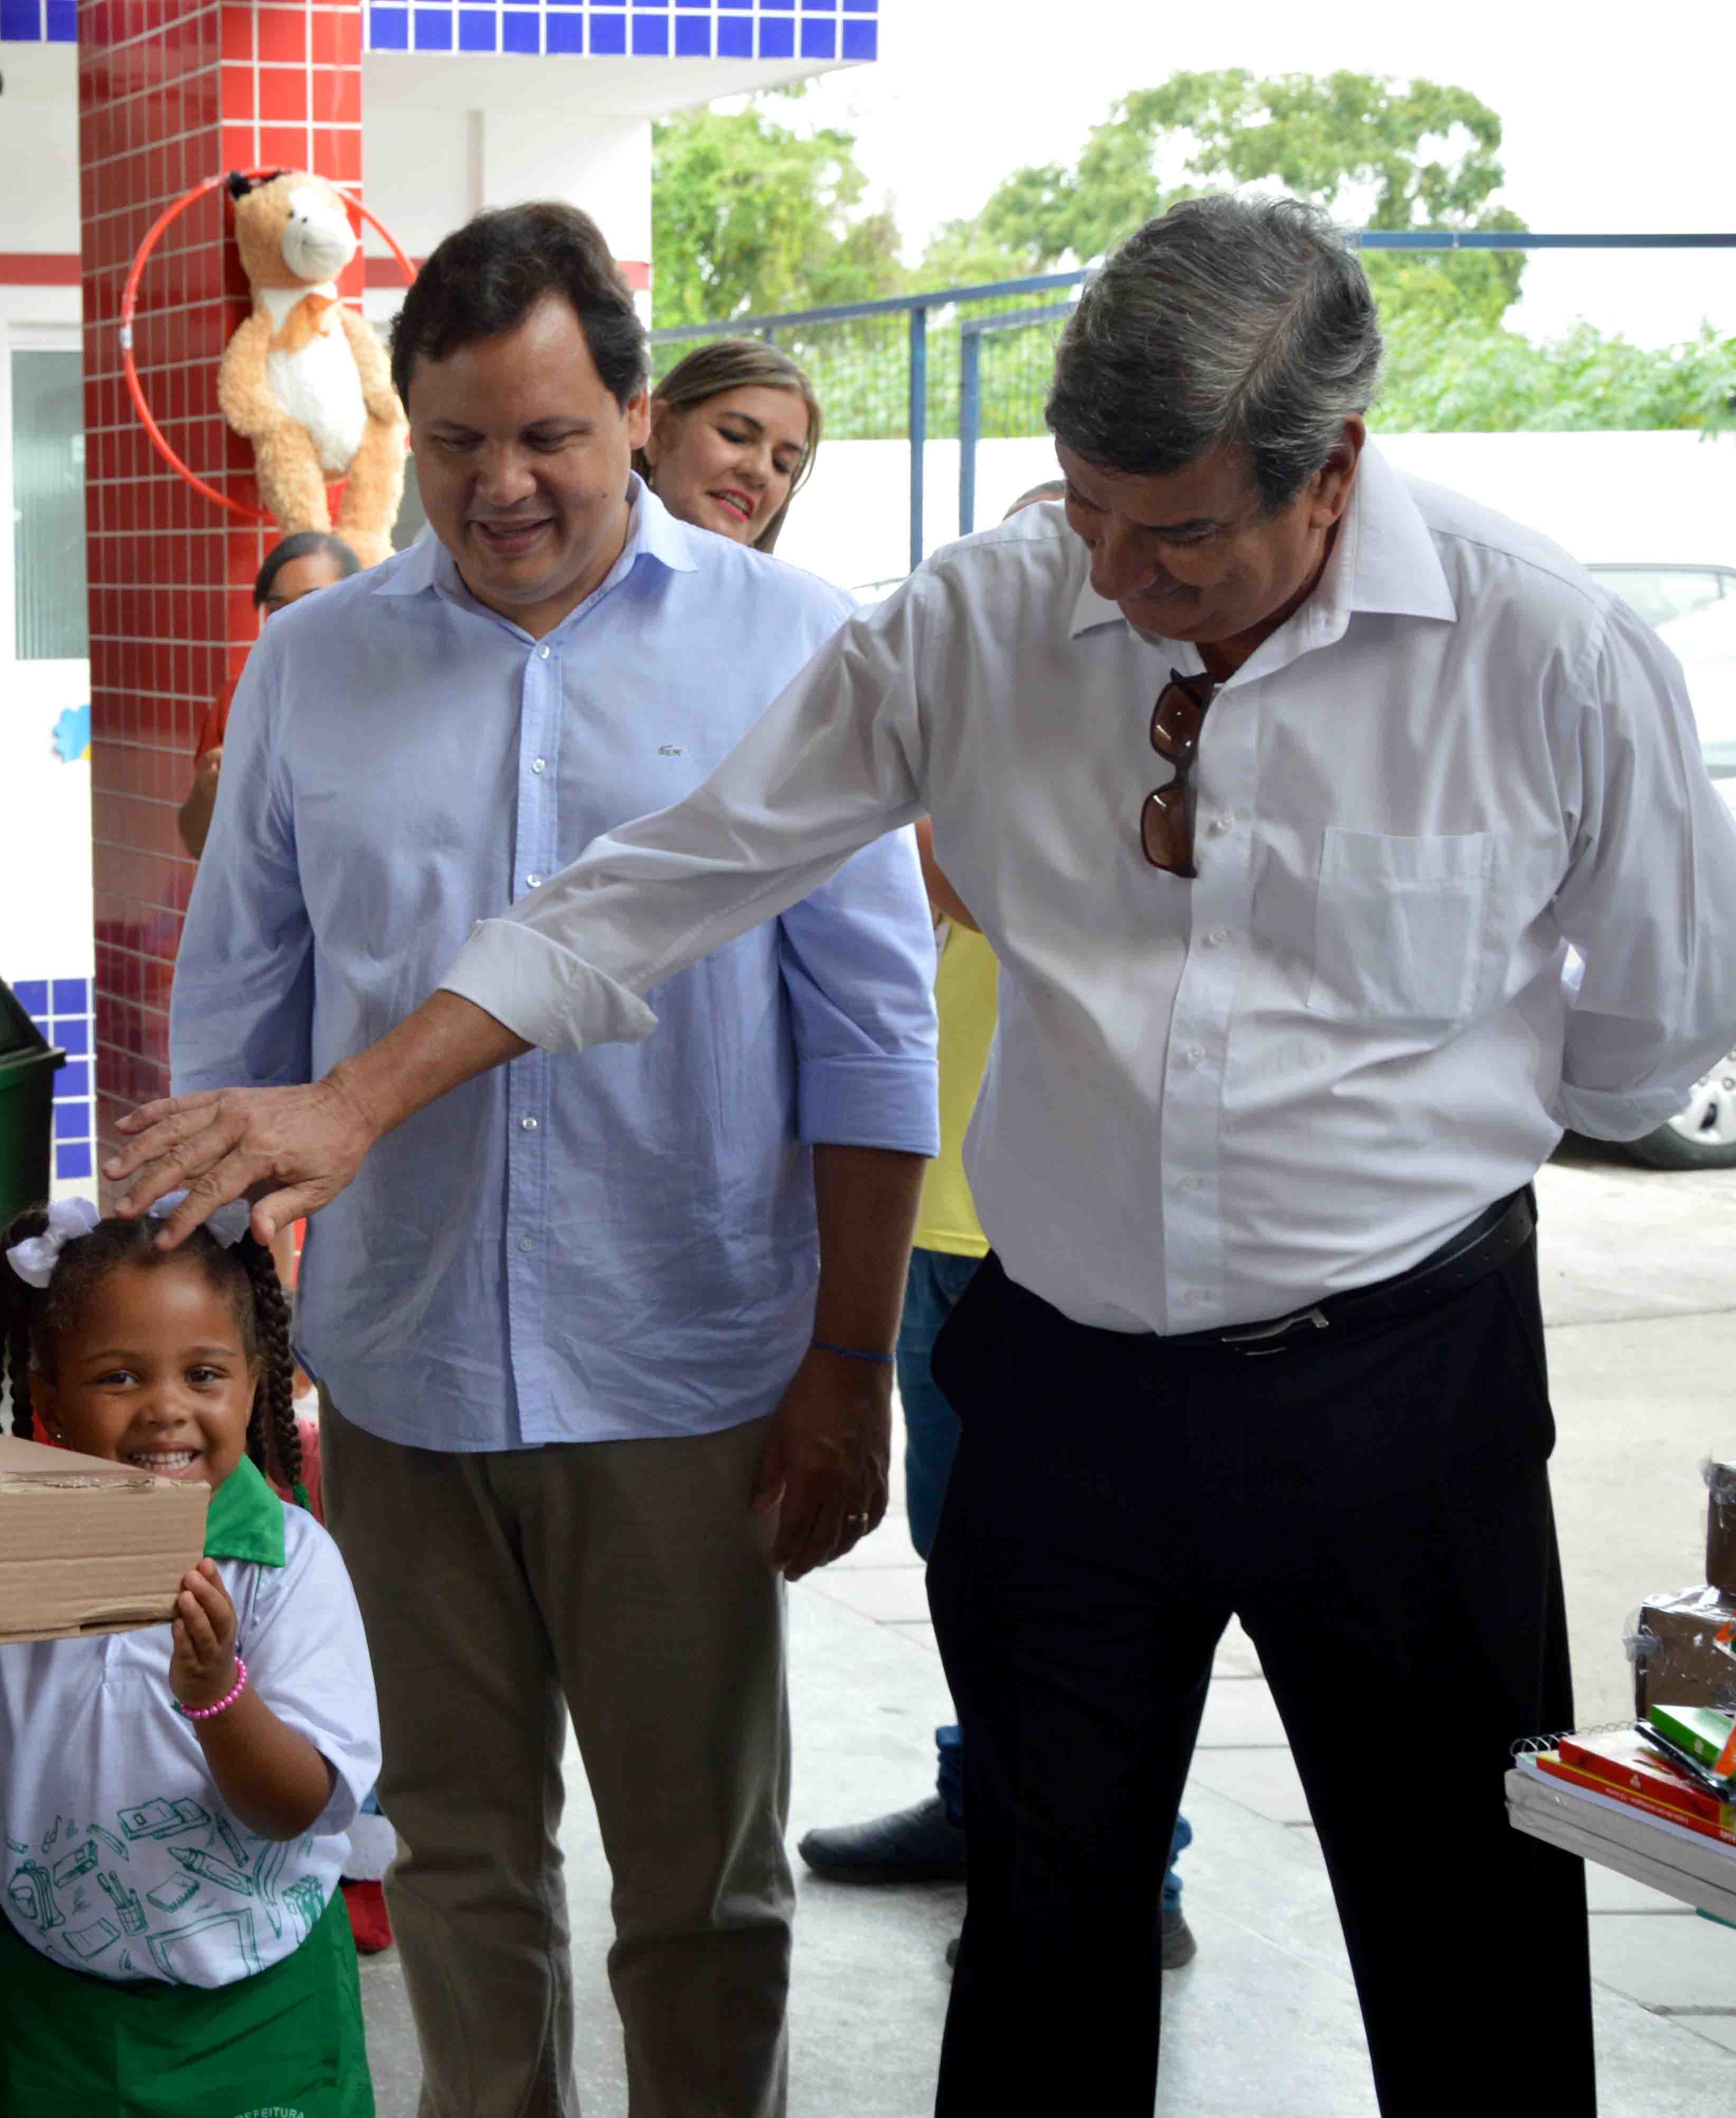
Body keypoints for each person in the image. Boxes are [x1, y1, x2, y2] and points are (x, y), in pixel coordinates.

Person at [109, 194, 1736, 2116]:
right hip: (1067, 1395)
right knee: (1042, 1921)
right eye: (1089, 512)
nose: (1119, 577)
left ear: (1334, 470)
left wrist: (1369, 1124)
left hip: (1397, 1384)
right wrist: (361, 1096)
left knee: (1461, 1916)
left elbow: (1651, 1033)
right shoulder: (987, 613)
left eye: (1182, 536)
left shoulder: (1541, 652)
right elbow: (669, 878)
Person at [163, 201, 938, 2117]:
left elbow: (868, 1032)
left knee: (698, 1894)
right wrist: (220, 1370)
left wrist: (847, 1363)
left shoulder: (800, 648)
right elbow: (234, 1036)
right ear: (397, 431)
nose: (499, 486)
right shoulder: (313, 666)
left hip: (686, 1379)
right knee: (454, 1866)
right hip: (405, 1380)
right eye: (452, 444)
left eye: (547, 437)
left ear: (633, 411)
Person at [791, 482, 1200, 1970]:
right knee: (964, 1548)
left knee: (1096, 1586)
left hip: (1075, 1236)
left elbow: (962, 873)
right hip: (947, 1210)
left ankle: (1116, 1867)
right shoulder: (974, 730)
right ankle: (994, 1806)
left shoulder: (1178, 748)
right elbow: (910, 887)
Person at [0, 1195, 379, 2117]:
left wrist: (217, 1698)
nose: (166, 1409)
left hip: (262, 2013)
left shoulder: (287, 1565)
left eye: (204, 1374)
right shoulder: (5, 1566)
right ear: (48, 1401)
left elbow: (300, 1808)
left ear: (255, 1386)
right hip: (54, 2016)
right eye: (118, 1378)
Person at [178, 531, 363, 858]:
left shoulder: (386, 694)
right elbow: (199, 845)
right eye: (278, 609)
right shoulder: (239, 699)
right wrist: (208, 790)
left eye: (311, 603)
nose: (290, 622)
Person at [637, 338, 821, 553]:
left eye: (782, 464)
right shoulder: (590, 572)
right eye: (735, 436)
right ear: (658, 430)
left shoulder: (789, 587)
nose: (760, 472)